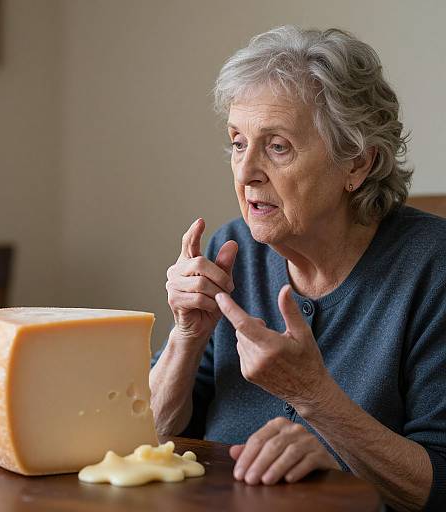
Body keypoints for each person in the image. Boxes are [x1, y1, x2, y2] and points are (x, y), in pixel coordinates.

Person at [149, 26, 446, 512]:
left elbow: (437, 487)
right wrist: (186, 336)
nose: (246, 173)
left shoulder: (433, 270)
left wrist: (315, 400)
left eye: (278, 146)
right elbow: (155, 434)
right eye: (238, 143)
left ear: (358, 164)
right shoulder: (230, 249)